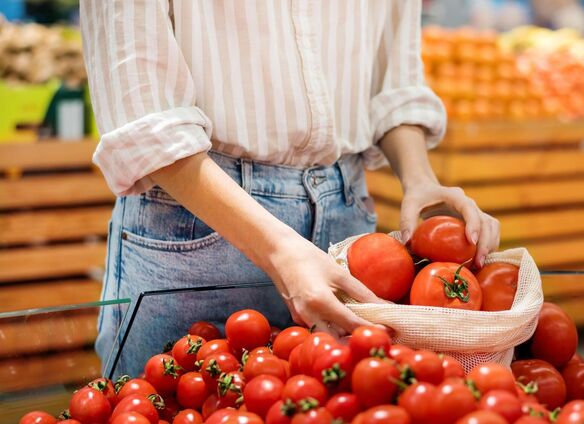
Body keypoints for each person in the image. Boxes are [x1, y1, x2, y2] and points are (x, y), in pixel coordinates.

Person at [80, 1, 500, 375]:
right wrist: (279, 249)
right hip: (199, 220)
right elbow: (143, 114)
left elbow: (394, 78)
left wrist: (420, 178)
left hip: (346, 215)